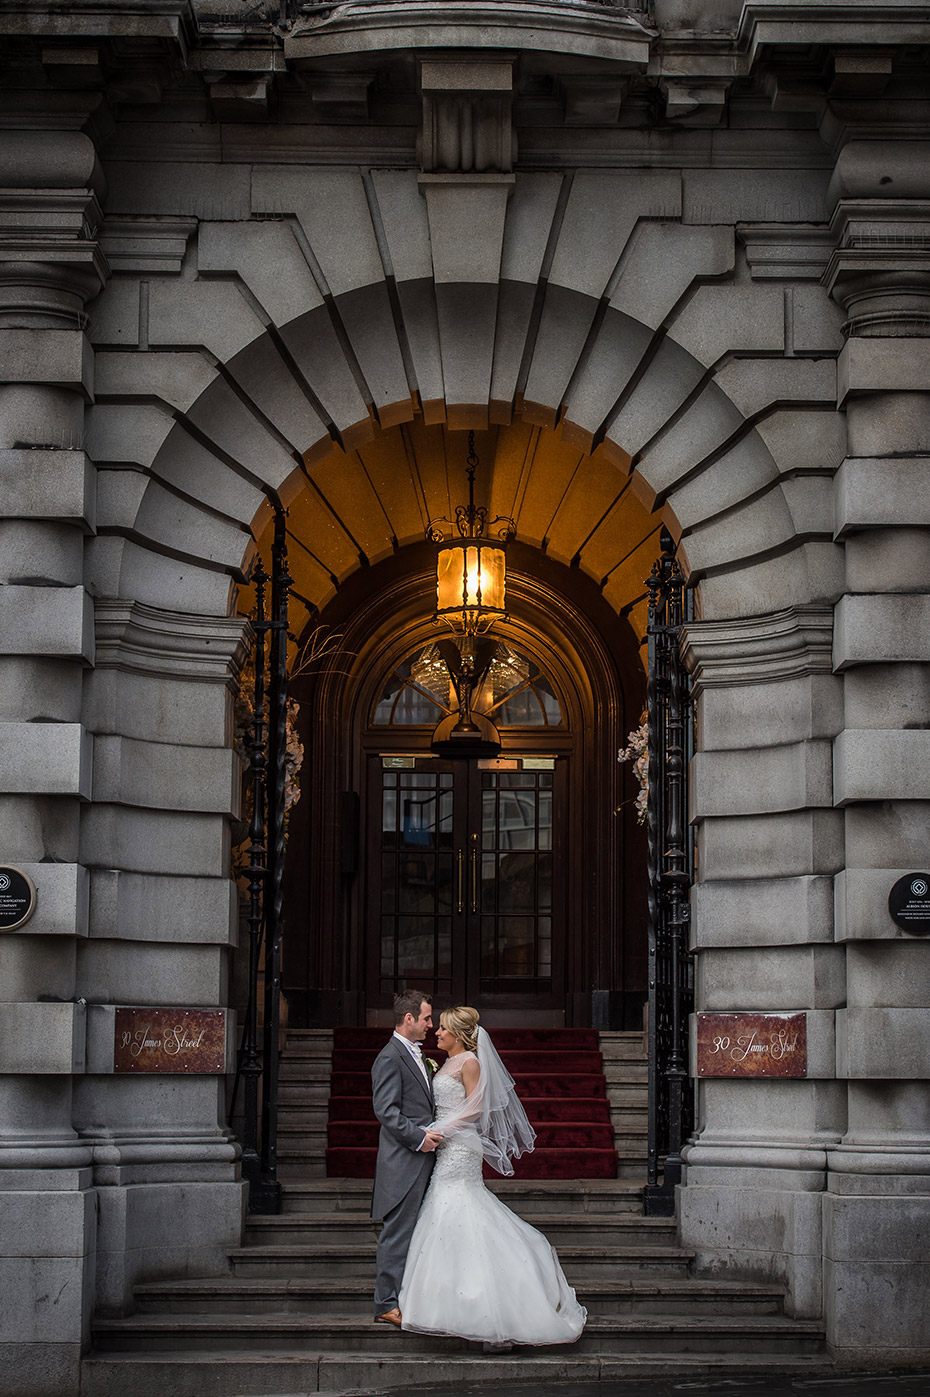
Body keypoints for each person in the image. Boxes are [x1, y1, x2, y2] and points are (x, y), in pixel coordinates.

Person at [397, 1005, 587, 1347]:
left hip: (460, 1149)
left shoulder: (470, 1062)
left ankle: (490, 1308)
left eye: (442, 1028)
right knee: (449, 1209)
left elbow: (476, 1108)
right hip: (446, 1146)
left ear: (457, 1033)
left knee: (460, 1205)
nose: (436, 1032)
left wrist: (440, 1127)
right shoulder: (450, 1062)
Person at [370, 989, 443, 1327]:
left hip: (423, 1159)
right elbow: (387, 1111)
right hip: (404, 1161)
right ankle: (385, 1303)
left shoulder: (414, 1054)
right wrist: (420, 1139)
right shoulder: (389, 1057)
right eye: (427, 1018)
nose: (432, 1024)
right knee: (397, 1233)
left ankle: (407, 1296)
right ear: (409, 1018)